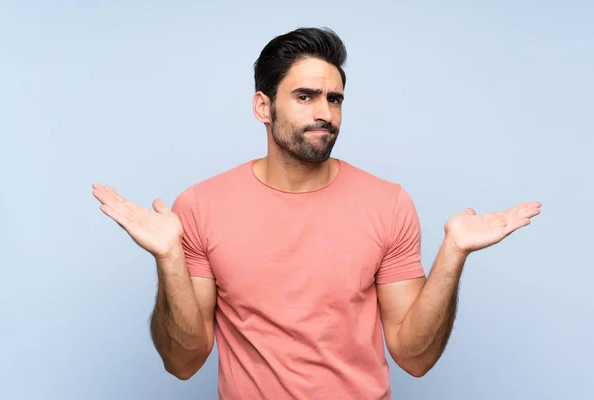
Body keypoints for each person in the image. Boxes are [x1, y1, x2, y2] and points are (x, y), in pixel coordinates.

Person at [92, 27, 541, 400]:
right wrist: (168, 257)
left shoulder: (388, 203)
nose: (325, 113)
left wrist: (454, 253)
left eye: (335, 99)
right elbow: (182, 362)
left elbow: (415, 357)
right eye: (305, 96)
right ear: (263, 107)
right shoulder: (200, 206)